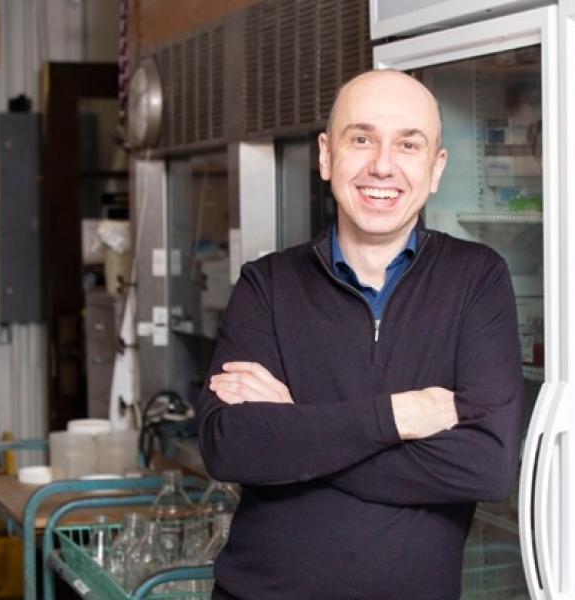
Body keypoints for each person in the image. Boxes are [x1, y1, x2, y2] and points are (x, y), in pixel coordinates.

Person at [194, 69, 524, 600]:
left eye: (408, 144)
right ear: (327, 156)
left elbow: (485, 468)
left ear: (436, 168)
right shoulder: (267, 284)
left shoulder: (476, 279)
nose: (383, 166)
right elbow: (229, 446)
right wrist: (398, 415)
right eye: (362, 138)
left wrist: (297, 428)